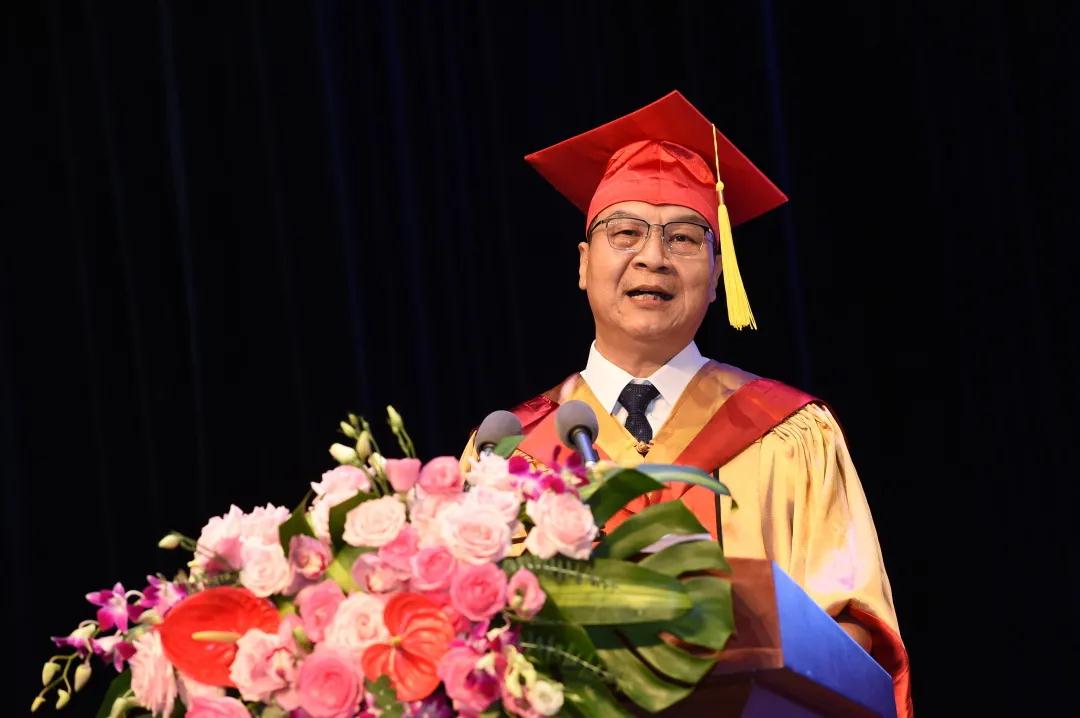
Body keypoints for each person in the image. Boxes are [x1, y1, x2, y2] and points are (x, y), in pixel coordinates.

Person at [464, 91, 911, 717]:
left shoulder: (790, 434)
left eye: (682, 238)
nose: (653, 257)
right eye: (625, 233)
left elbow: (857, 636)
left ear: (718, 269)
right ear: (584, 264)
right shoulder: (510, 450)